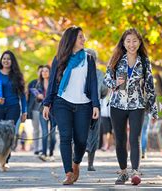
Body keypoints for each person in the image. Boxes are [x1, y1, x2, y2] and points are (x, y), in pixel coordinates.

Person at [42, 26, 100, 185]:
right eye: (81, 37)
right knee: (65, 137)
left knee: (81, 140)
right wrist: (47, 104)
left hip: (84, 104)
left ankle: (76, 163)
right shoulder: (59, 58)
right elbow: (53, 82)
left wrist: (96, 105)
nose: (84, 40)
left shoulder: (88, 59)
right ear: (72, 39)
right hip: (62, 103)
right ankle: (68, 172)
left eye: (83, 37)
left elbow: (93, 83)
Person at [104, 28, 157, 185]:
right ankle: (122, 172)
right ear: (123, 43)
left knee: (135, 138)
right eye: (128, 41)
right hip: (117, 104)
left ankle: (135, 172)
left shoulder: (145, 61)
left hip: (137, 104)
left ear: (139, 42)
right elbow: (106, 78)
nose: (131, 44)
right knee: (120, 140)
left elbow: (150, 86)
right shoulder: (116, 58)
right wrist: (115, 83)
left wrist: (155, 110)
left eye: (135, 41)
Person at [0, 50, 27, 170]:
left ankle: (5, 161)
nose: (6, 61)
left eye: (8, 59)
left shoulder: (17, 75)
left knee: (9, 135)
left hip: (13, 108)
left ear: (12, 61)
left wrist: (24, 111)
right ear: (1, 61)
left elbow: (23, 96)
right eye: (4, 58)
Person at [85, 48, 107, 171]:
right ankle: (89, 163)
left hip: (91, 107)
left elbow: (104, 90)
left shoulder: (99, 74)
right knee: (92, 134)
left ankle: (85, 162)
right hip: (91, 106)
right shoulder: (99, 73)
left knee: (88, 134)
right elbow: (104, 91)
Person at [36, 65, 57, 162]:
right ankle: (44, 153)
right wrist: (39, 97)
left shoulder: (54, 83)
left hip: (53, 111)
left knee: (52, 134)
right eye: (43, 71)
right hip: (42, 111)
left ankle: (51, 153)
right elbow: (36, 99)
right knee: (44, 132)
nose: (44, 73)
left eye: (46, 71)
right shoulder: (39, 84)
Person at [27, 66, 44, 155]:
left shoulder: (47, 82)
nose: (42, 73)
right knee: (36, 129)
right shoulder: (32, 83)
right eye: (40, 71)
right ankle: (36, 148)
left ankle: (42, 148)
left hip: (44, 109)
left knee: (43, 129)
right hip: (34, 109)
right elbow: (27, 97)